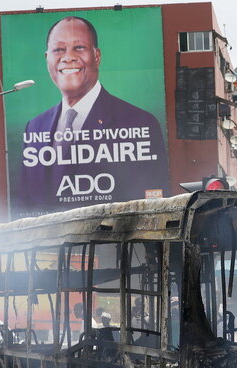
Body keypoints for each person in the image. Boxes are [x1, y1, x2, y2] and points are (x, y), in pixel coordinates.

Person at [18, 16, 169, 217]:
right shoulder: (35, 128)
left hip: (117, 242)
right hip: (51, 246)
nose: (68, 57)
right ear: (47, 57)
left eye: (79, 47)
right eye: (58, 50)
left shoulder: (140, 122)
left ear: (96, 55)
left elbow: (154, 202)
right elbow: (24, 204)